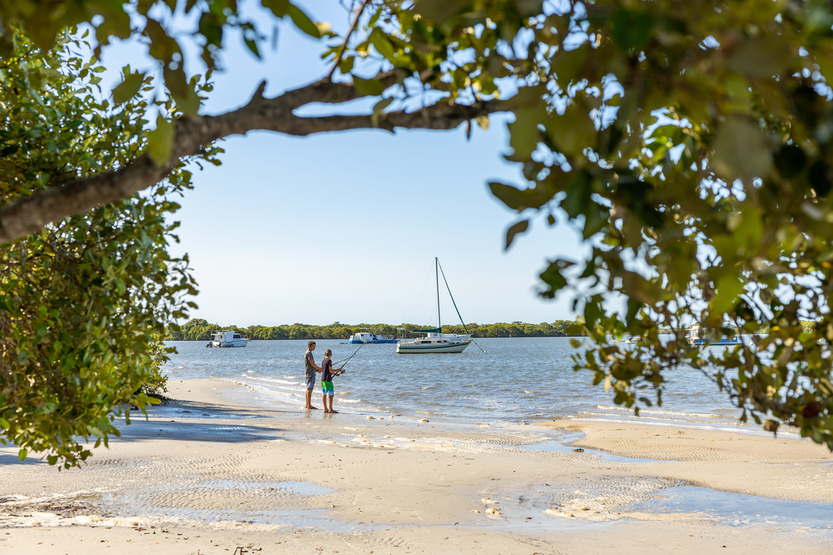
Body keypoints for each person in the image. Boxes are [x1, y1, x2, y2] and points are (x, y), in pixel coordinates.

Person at [320, 349, 343, 414]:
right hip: (328, 380)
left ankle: (325, 409)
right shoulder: (329, 361)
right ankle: (330, 409)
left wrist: (335, 374)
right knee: (331, 395)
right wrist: (337, 370)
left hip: (323, 379)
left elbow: (326, 370)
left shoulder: (323, 360)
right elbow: (330, 370)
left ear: (325, 354)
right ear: (331, 355)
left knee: (324, 394)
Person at [304, 340, 322, 409]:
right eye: (313, 346)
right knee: (310, 389)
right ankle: (309, 405)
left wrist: (317, 369)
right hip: (310, 374)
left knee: (309, 389)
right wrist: (319, 368)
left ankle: (307, 404)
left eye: (315, 346)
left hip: (310, 373)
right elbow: (312, 364)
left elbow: (310, 365)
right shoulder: (309, 353)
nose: (314, 347)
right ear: (309, 346)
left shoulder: (308, 353)